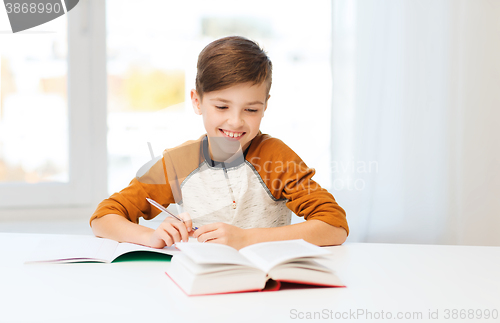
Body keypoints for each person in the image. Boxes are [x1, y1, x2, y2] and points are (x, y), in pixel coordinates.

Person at [90, 36, 348, 250]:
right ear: (196, 101)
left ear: (265, 106)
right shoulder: (178, 163)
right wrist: (150, 237)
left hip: (267, 285)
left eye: (251, 110)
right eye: (222, 106)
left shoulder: (275, 157)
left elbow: (334, 227)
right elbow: (103, 218)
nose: (236, 122)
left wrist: (247, 239)